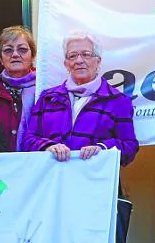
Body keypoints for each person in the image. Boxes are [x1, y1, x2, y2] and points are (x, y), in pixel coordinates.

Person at [23, 31, 139, 166]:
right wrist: (48, 146)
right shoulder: (48, 98)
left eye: (86, 54)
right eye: (72, 56)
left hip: (97, 181)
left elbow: (129, 146)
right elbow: (28, 140)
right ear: (66, 63)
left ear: (98, 61)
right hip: (55, 180)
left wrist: (102, 148)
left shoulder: (118, 101)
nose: (79, 61)